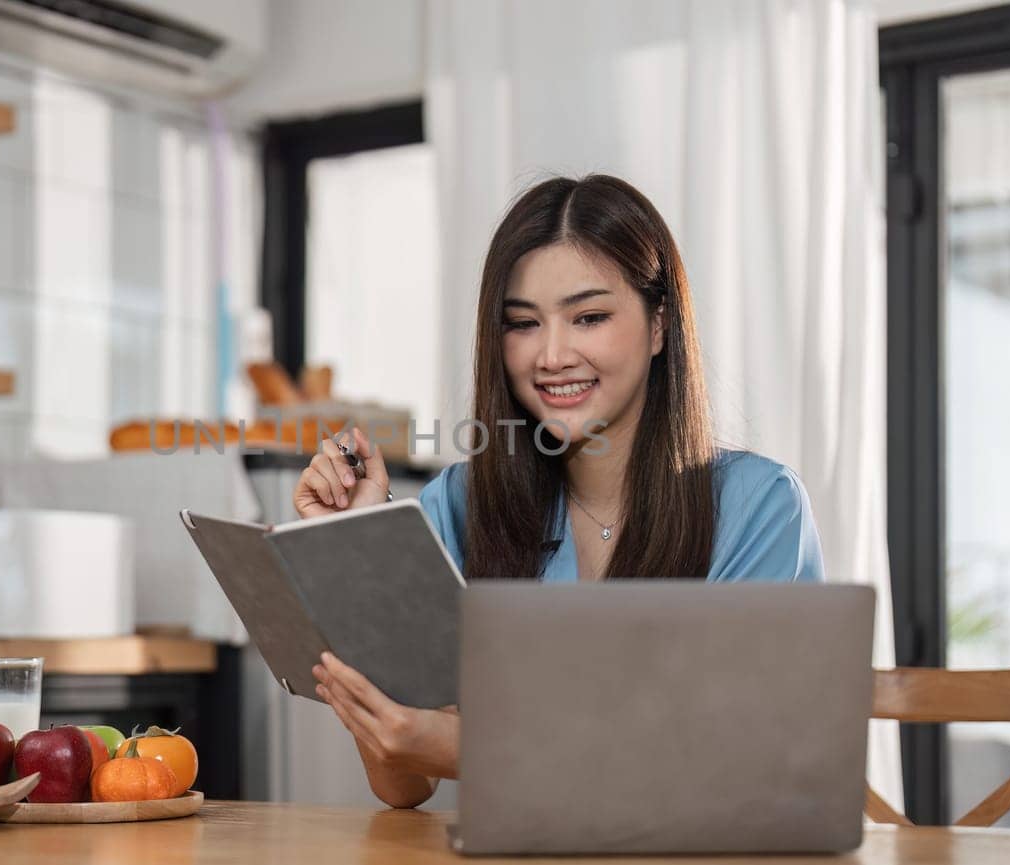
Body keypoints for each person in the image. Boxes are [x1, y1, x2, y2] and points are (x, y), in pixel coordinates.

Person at [291, 174, 824, 808]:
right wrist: (361, 546)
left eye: (589, 317)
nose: (551, 355)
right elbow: (403, 783)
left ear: (659, 325)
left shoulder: (758, 507)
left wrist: (469, 747)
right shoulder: (460, 502)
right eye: (523, 323)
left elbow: (709, 762)